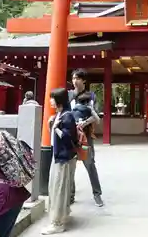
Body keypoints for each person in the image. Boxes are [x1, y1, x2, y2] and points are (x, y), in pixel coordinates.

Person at [42, 88, 79, 235]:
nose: (51, 101)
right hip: (58, 156)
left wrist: (56, 128)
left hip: (63, 158)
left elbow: (68, 137)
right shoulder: (59, 114)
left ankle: (57, 222)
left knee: (59, 189)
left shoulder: (67, 116)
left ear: (59, 100)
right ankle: (60, 216)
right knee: (56, 188)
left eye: (53, 98)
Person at [69, 68, 104, 207]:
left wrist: (85, 122)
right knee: (70, 165)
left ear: (83, 80)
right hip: (70, 135)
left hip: (86, 134)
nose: (75, 81)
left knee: (89, 164)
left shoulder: (91, 96)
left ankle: (97, 194)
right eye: (73, 78)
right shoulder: (69, 96)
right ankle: (71, 195)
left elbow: (96, 115)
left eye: (77, 78)